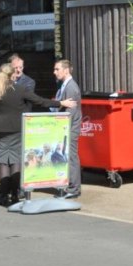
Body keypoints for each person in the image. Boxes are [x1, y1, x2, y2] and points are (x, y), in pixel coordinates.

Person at [0, 62, 69, 205]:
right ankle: (15, 195)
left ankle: (3, 196)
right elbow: (40, 101)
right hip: (18, 129)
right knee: (16, 161)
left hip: (0, 129)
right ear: (13, 75)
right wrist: (61, 103)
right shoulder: (20, 89)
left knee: (3, 162)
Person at [51, 59, 83, 198]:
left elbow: (71, 111)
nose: (54, 72)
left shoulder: (71, 87)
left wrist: (63, 128)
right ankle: (69, 186)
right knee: (68, 157)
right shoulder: (65, 85)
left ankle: (74, 189)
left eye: (57, 69)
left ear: (66, 70)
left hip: (69, 128)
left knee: (71, 158)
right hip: (67, 128)